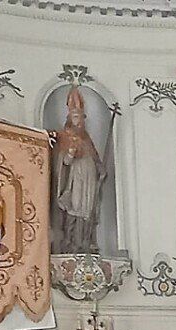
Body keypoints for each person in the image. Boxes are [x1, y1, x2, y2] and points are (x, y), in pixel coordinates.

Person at [53, 87, 105, 254]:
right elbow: (62, 163)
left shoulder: (87, 137)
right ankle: (71, 242)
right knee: (74, 207)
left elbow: (95, 156)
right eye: (76, 117)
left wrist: (99, 168)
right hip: (75, 179)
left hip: (89, 178)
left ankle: (86, 241)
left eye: (81, 118)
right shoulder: (64, 136)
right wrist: (69, 155)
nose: (79, 121)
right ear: (70, 118)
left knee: (87, 210)